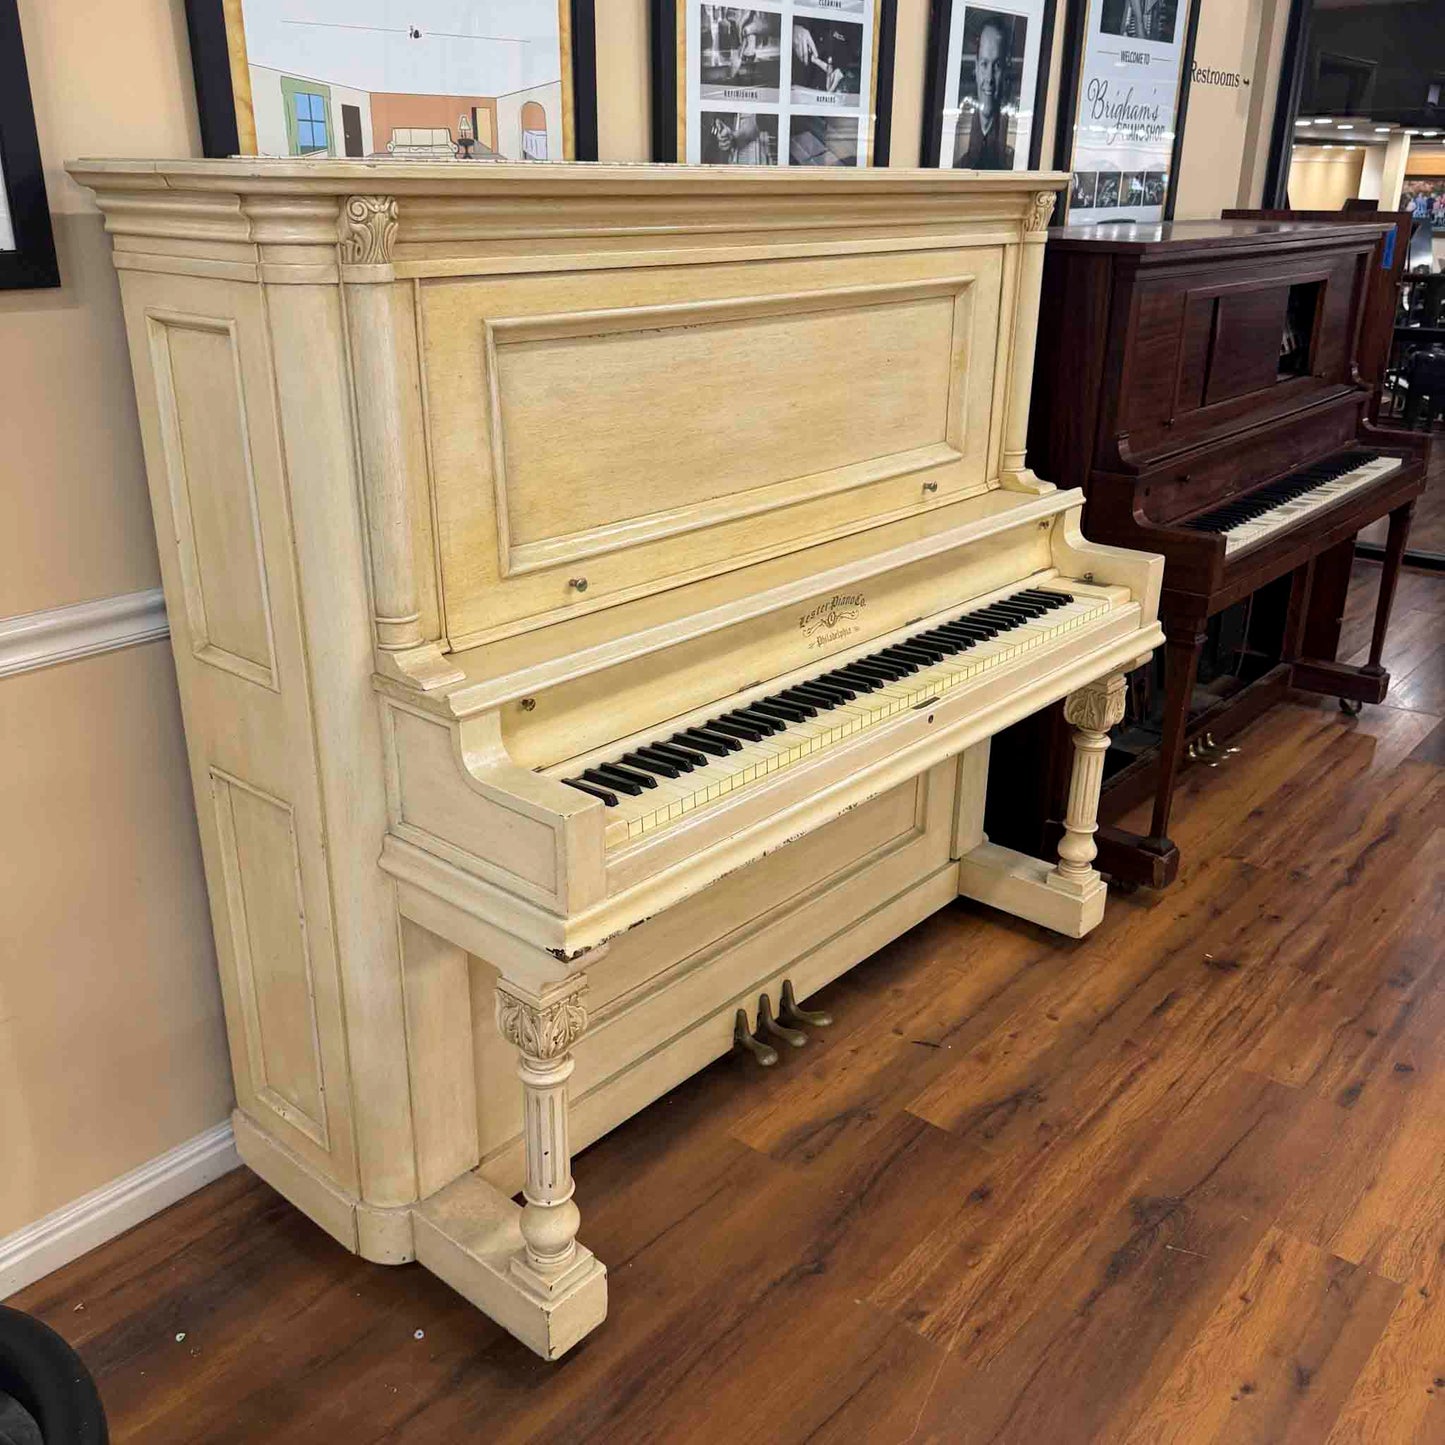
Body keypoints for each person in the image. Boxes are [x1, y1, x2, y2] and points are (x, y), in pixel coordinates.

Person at [953, 18, 1014, 169]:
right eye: (984, 64)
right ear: (976, 67)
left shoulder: (1015, 146)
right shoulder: (954, 130)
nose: (989, 78)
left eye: (997, 66)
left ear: (1005, 70)